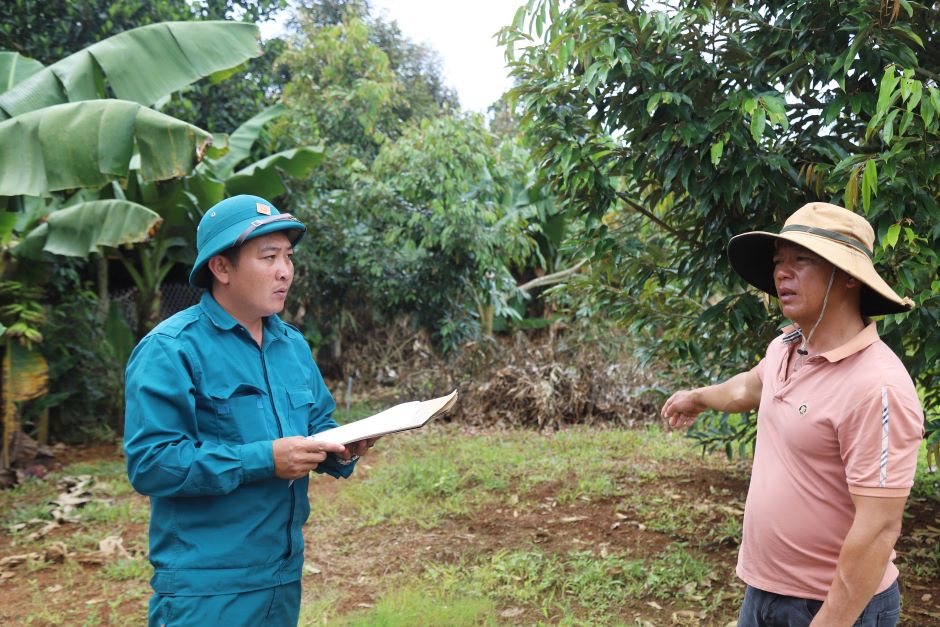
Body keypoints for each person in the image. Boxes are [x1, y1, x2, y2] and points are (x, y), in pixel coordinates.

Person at [661, 202, 924, 627]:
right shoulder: (789, 346)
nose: (782, 272)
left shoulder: (877, 387)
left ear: (848, 278)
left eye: (801, 260)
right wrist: (699, 396)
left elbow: (878, 529)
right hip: (764, 593)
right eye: (779, 261)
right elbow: (751, 385)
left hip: (833, 608)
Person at [124, 195, 375, 626]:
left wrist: (343, 447)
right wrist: (264, 459)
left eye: (288, 257)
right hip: (207, 587)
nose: (285, 271)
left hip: (282, 574)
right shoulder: (172, 350)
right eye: (269, 256)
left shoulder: (291, 345)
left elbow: (318, 422)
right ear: (221, 268)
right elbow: (152, 464)